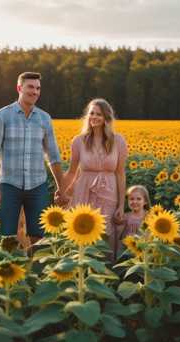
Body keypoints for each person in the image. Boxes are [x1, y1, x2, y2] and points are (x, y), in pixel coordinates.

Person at [0, 71, 65, 250]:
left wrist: (61, 187)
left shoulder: (45, 118)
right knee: (6, 234)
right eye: (31, 87)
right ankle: (8, 271)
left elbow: (53, 156)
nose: (35, 92)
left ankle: (34, 272)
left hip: (37, 185)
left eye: (38, 88)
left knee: (39, 235)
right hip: (8, 184)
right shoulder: (2, 115)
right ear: (19, 88)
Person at [62, 98, 128, 260]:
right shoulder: (78, 141)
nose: (94, 117)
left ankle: (105, 275)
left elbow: (120, 173)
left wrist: (121, 205)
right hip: (83, 192)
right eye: (91, 113)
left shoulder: (118, 141)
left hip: (109, 193)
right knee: (82, 233)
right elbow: (72, 171)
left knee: (107, 234)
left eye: (99, 114)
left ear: (106, 117)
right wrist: (61, 192)